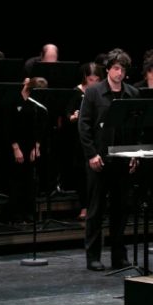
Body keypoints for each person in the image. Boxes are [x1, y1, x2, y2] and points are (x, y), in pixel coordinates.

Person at [78, 49, 139, 271]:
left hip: (122, 159)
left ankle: (119, 256)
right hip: (100, 159)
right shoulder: (94, 92)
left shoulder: (132, 93)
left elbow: (136, 128)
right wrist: (91, 154)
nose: (119, 73)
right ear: (108, 69)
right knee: (96, 210)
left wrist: (135, 154)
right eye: (116, 68)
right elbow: (84, 125)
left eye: (123, 69)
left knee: (121, 210)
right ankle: (93, 256)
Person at [0, 77, 48, 224]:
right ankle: (15, 214)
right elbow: (7, 126)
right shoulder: (12, 100)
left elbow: (41, 125)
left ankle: (29, 213)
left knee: (30, 180)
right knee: (16, 180)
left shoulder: (36, 104)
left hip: (31, 145)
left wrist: (37, 146)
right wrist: (16, 148)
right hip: (15, 145)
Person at [64, 62, 104, 221]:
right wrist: (73, 117)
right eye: (90, 79)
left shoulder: (102, 92)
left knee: (97, 173)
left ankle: (96, 207)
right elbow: (67, 114)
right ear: (85, 78)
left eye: (96, 80)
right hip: (80, 138)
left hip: (98, 137)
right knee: (82, 173)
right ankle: (84, 207)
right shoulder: (77, 92)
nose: (93, 83)